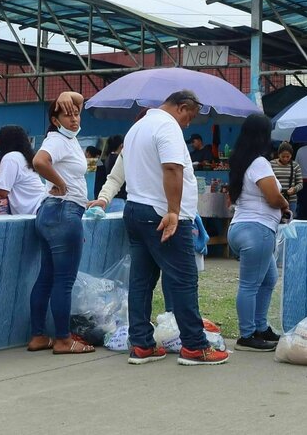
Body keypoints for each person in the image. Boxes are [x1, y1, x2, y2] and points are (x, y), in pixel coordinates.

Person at [122, 90, 228, 366]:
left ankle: (141, 344)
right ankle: (194, 346)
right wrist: (173, 211)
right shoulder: (166, 126)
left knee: (141, 281)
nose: (188, 124)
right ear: (182, 107)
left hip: (135, 208)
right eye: (189, 117)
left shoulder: (138, 127)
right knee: (183, 279)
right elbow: (172, 169)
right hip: (162, 214)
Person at [27, 91, 94, 355]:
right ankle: (64, 339)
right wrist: (62, 184)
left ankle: (38, 336)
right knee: (63, 281)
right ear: (55, 120)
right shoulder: (56, 140)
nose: (75, 118)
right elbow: (39, 161)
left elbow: (80, 98)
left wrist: (68, 96)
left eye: (76, 113)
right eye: (67, 114)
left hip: (50, 213)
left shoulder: (68, 139)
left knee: (47, 276)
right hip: (65, 213)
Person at [228, 114, 289, 352]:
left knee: (268, 279)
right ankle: (246, 334)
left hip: (240, 227)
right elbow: (272, 197)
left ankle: (260, 327)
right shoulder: (260, 163)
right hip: (258, 230)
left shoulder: (240, 161)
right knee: (249, 284)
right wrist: (285, 205)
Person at [0, 125, 45, 216]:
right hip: (39, 207)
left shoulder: (11, 158)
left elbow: (2, 191)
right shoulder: (22, 157)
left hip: (36, 209)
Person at [269, 142, 303, 217]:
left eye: (288, 156)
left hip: (291, 200)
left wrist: (294, 189)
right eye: (283, 156)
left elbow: (300, 183)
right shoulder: (271, 164)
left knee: (289, 221)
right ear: (278, 155)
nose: (285, 159)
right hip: (276, 199)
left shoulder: (295, 165)